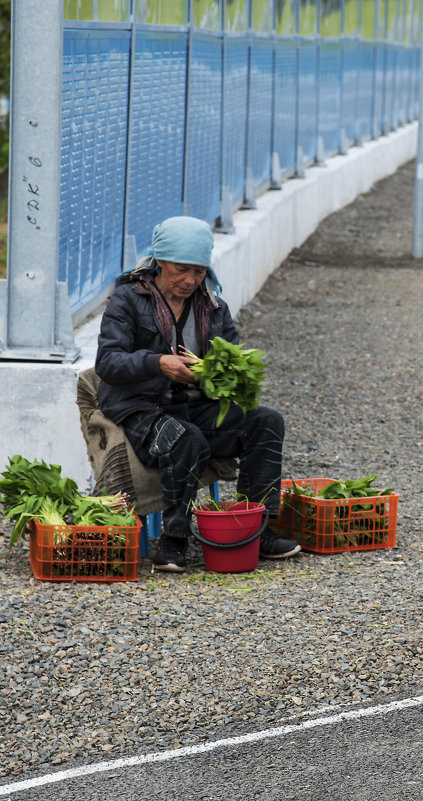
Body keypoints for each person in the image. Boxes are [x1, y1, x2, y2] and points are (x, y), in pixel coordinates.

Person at [94, 215, 300, 572]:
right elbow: (108, 362)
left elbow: (231, 360)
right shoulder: (128, 299)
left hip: (196, 406)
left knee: (266, 422)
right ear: (160, 262)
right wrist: (158, 362)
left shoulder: (214, 308)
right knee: (183, 438)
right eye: (181, 270)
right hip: (143, 409)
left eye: (199, 271)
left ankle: (259, 530)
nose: (190, 281)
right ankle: (174, 539)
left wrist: (218, 375)